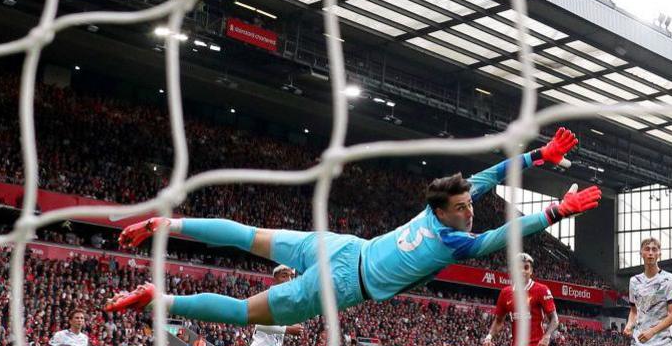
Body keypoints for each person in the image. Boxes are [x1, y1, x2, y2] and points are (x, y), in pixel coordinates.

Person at [105, 128, 601, 329]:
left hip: (344, 246)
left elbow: (490, 176)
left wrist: (540, 156)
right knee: (244, 311)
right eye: (463, 206)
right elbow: (502, 238)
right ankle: (161, 297)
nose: (471, 209)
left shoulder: (438, 208)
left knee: (249, 235)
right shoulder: (455, 240)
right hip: (345, 279)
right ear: (446, 211)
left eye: (469, 203)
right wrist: (556, 212)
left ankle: (167, 222)